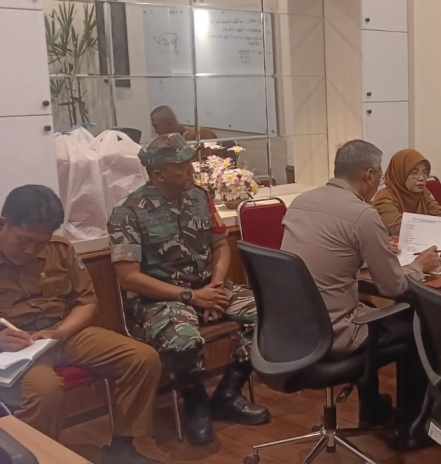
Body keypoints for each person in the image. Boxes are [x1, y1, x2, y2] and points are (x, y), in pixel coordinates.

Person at [108, 134, 270, 446]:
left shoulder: (199, 196)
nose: (191, 171)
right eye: (181, 166)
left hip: (206, 287)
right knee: (182, 341)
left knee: (272, 311)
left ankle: (228, 392)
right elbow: (129, 278)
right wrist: (192, 297)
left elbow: (221, 245)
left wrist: (214, 288)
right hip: (159, 298)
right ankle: (196, 402)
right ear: (159, 174)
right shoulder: (127, 213)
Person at [281, 140, 441, 424]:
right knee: (419, 325)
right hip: (334, 332)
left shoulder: (301, 202)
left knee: (371, 310)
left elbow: (327, 255)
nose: (379, 183)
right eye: (378, 176)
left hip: (293, 327)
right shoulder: (363, 214)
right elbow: (393, 287)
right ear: (368, 175)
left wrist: (372, 251)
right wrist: (419, 266)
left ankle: (372, 410)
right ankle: (410, 427)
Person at [0, 185, 162, 464]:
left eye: (40, 242)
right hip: (14, 349)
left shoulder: (59, 249)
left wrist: (59, 332)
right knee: (45, 391)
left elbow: (87, 302)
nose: (30, 250)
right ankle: (32, 458)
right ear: (3, 224)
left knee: (142, 358)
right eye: (23, 240)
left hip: (59, 332)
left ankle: (122, 449)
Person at [373, 149, 441, 236]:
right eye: (415, 173)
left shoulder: (423, 193)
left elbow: (438, 215)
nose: (421, 178)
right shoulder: (384, 197)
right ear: (400, 174)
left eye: (425, 172)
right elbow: (398, 227)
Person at [150, 106, 217, 141]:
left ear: (168, 123)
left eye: (156, 126)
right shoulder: (167, 143)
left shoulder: (197, 135)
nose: (156, 131)